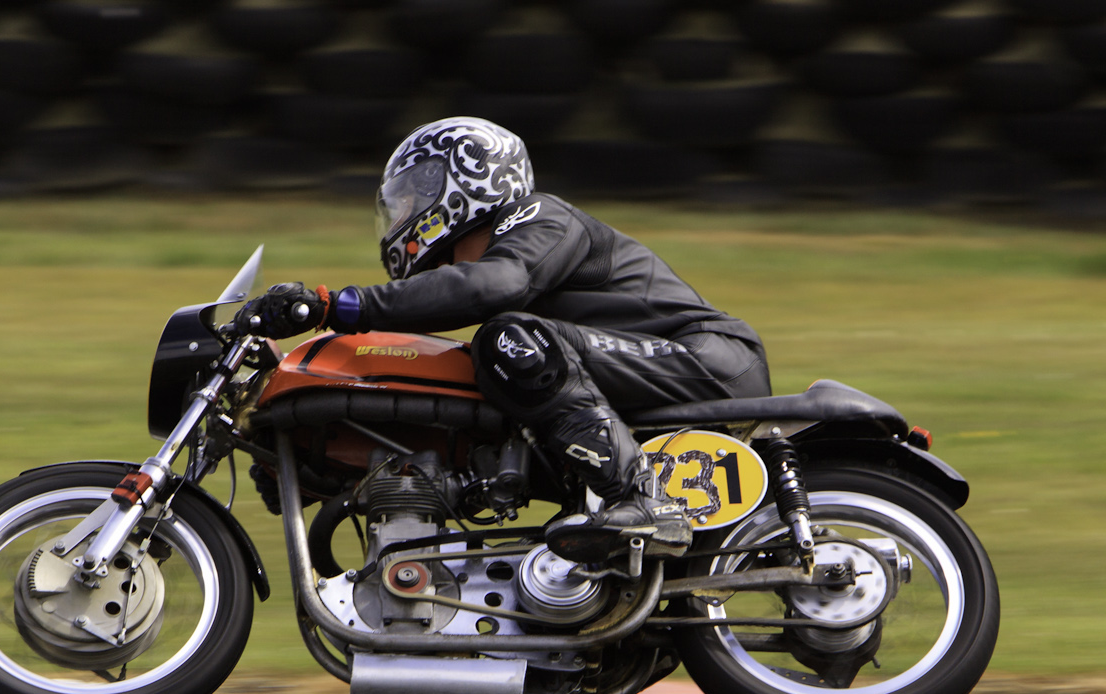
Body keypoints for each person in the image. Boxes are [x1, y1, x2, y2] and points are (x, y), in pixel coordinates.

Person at [234, 117, 770, 565]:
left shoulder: (539, 216)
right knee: (493, 370)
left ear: (461, 182)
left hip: (708, 356)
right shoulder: (500, 270)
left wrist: (332, 305)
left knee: (508, 341)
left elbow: (496, 286)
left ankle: (643, 501)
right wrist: (318, 462)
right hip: (642, 372)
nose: (399, 217)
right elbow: (429, 324)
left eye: (410, 195)